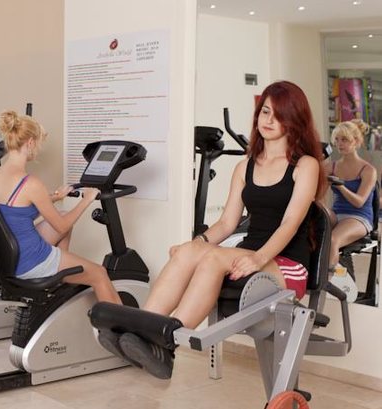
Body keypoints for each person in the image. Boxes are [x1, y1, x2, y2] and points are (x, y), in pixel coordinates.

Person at [105, 81, 325, 380]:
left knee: (213, 258)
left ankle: (166, 346)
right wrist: (194, 244)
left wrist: (258, 258)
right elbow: (226, 223)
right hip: (250, 254)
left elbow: (291, 223)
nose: (269, 120)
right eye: (265, 112)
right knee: (188, 254)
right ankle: (142, 330)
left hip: (288, 265)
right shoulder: (246, 166)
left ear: (295, 119)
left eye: (279, 114)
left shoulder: (305, 165)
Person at [0, 110, 122, 305]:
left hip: (6, 257)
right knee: (99, 273)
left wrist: (55, 198)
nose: (38, 150)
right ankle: (119, 325)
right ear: (30, 143)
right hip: (29, 261)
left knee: (63, 213)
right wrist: (87, 200)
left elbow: (13, 212)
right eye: (38, 144)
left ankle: (61, 276)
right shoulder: (30, 183)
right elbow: (62, 226)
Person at [324, 119, 376, 271]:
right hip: (336, 214)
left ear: (356, 141)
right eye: (337, 140)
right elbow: (318, 196)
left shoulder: (368, 170)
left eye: (344, 139)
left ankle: (328, 281)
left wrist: (341, 187)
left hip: (359, 217)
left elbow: (359, 202)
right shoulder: (331, 167)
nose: (339, 144)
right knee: (310, 225)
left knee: (333, 240)